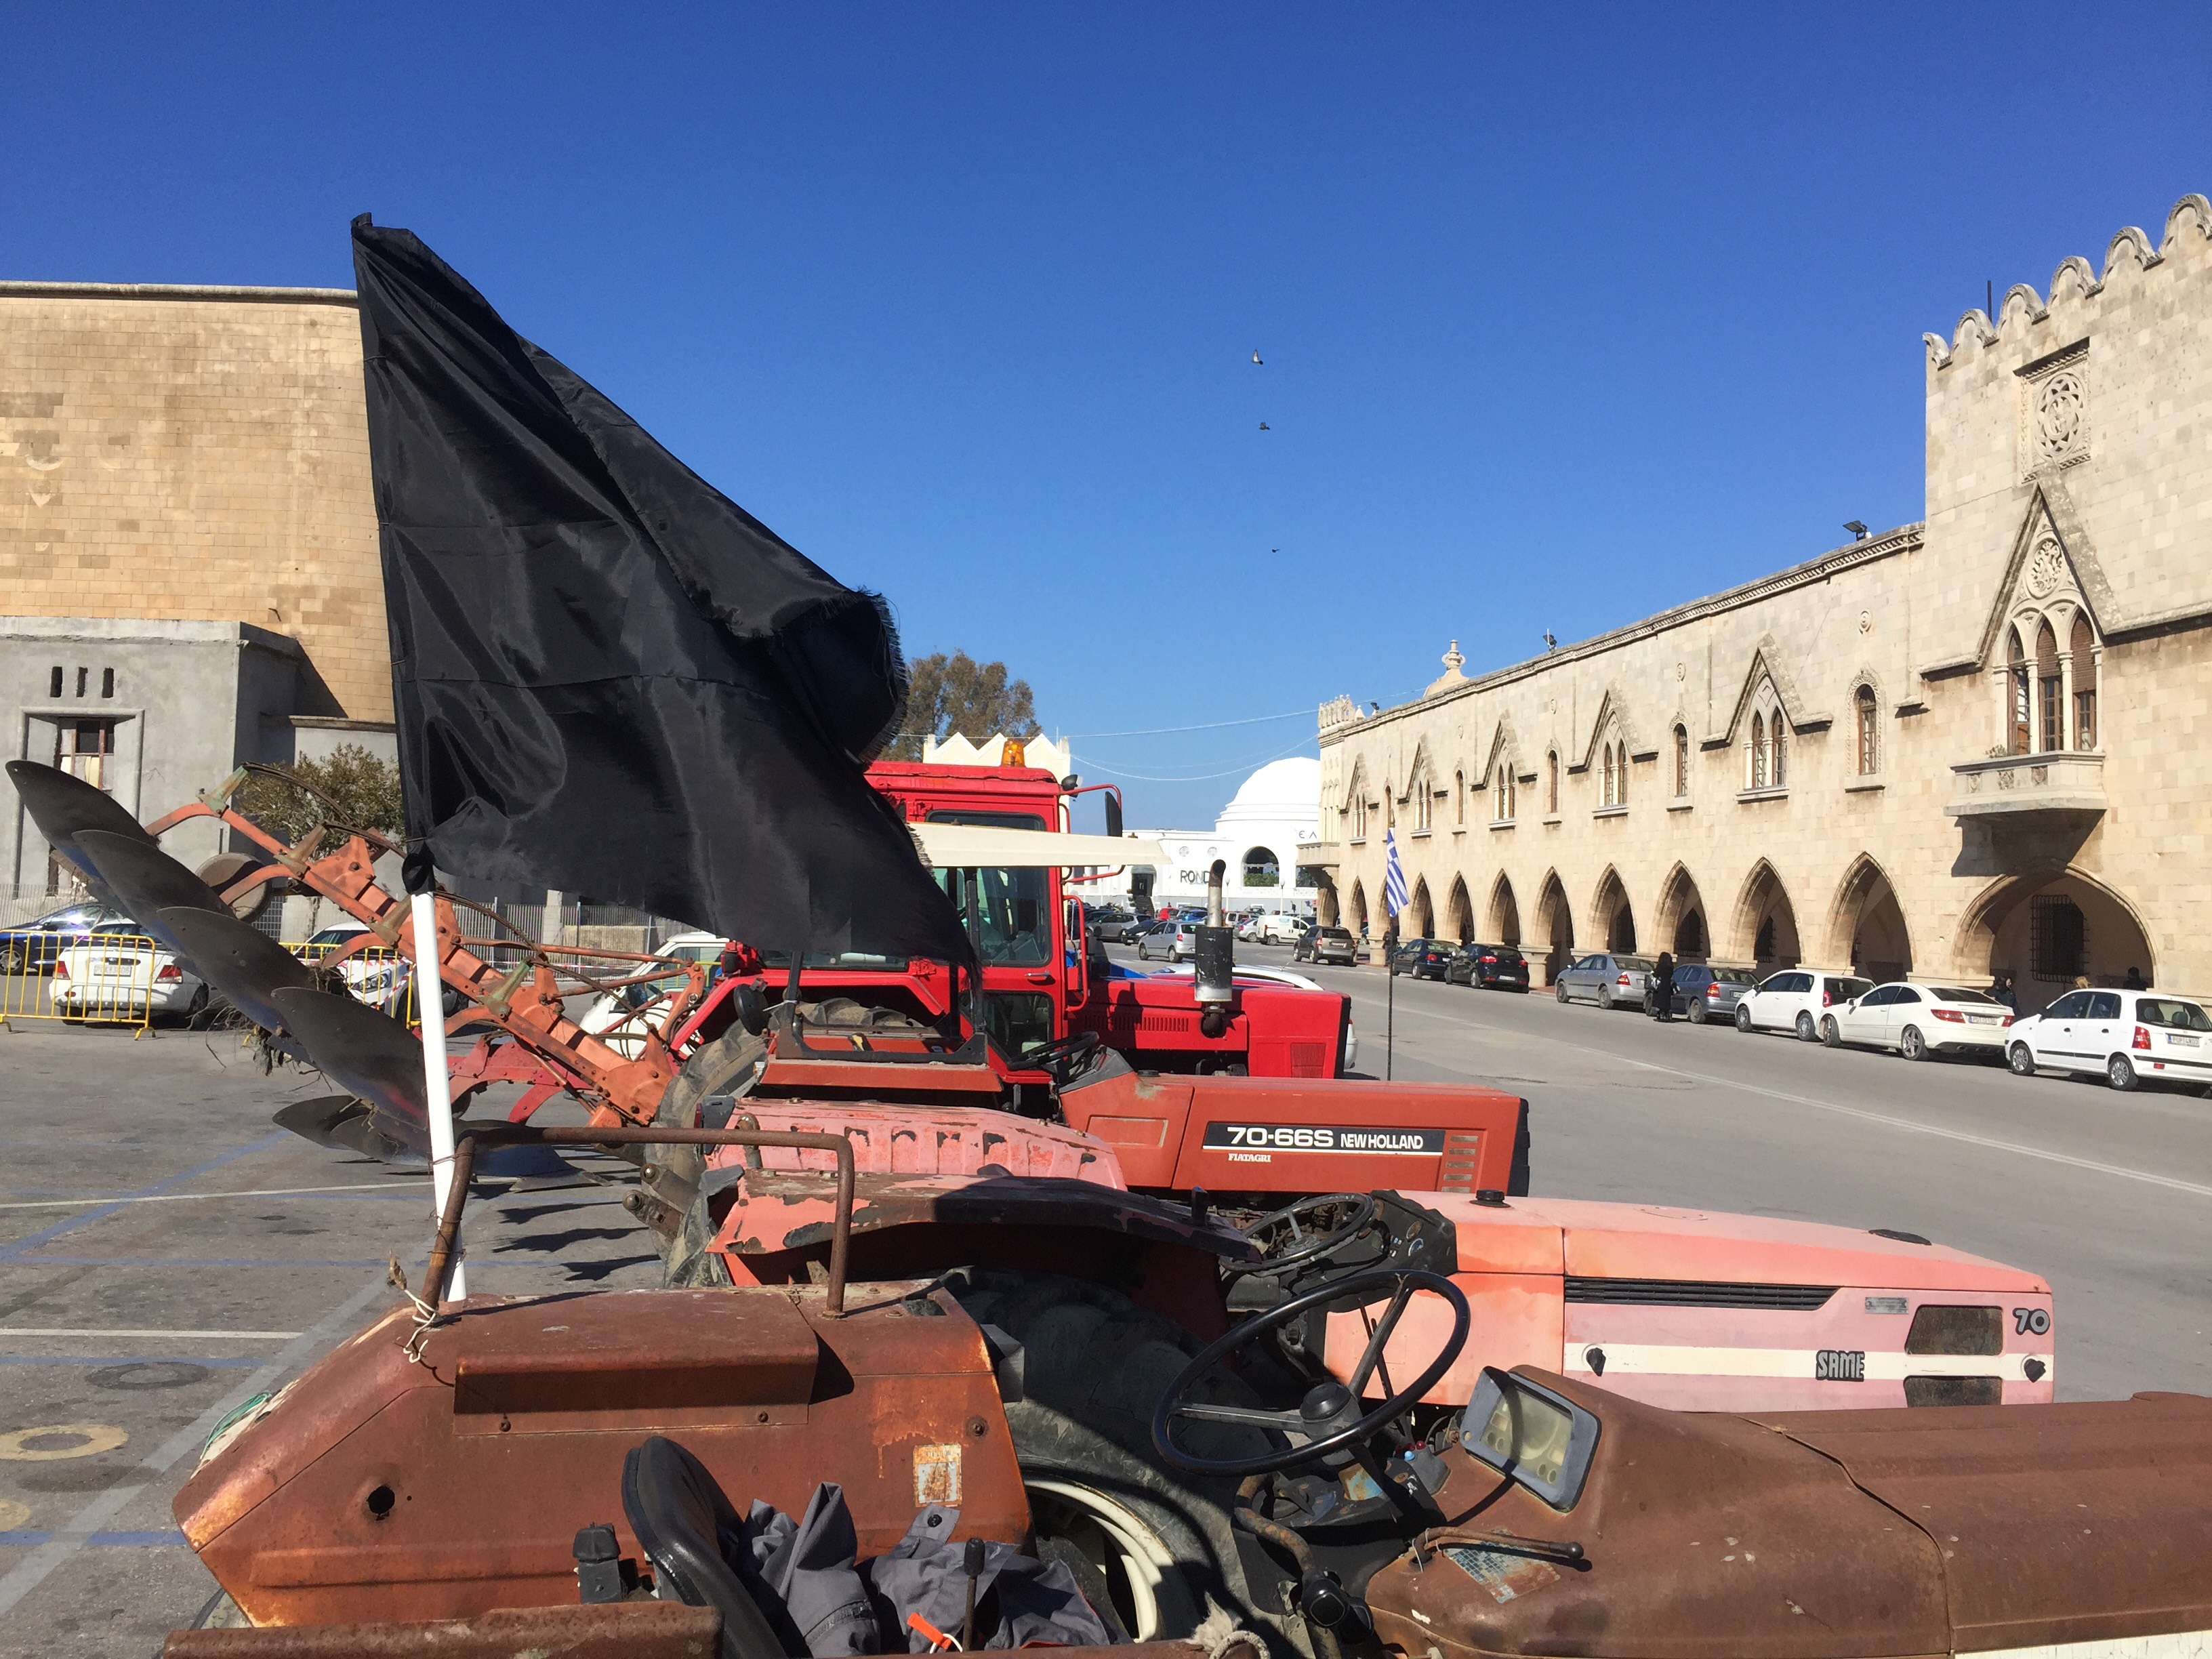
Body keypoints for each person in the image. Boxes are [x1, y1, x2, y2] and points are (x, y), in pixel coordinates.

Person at [1650, 950, 1675, 1021]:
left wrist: (1652, 971)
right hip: (1668, 985)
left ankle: (1660, 1016)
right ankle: (1668, 1016)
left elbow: (1655, 974)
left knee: (1660, 1000)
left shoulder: (1660, 966)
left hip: (1661, 985)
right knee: (1667, 1000)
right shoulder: (1670, 967)